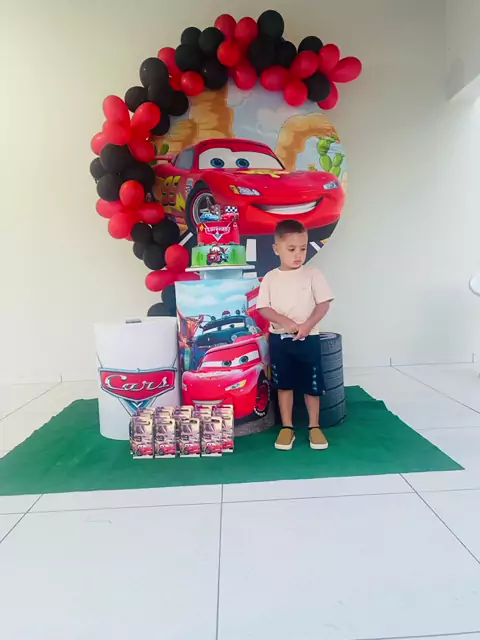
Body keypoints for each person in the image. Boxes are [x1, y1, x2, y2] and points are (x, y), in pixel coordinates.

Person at [257, 219, 333, 451]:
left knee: (312, 384)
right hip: (280, 340)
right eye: (291, 249)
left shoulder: (313, 274)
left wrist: (307, 325)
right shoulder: (270, 278)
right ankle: (287, 427)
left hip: (309, 339)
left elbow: (323, 304)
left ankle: (314, 426)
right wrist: (286, 322)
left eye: (302, 248)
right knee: (284, 384)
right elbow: (264, 308)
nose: (298, 254)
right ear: (276, 249)